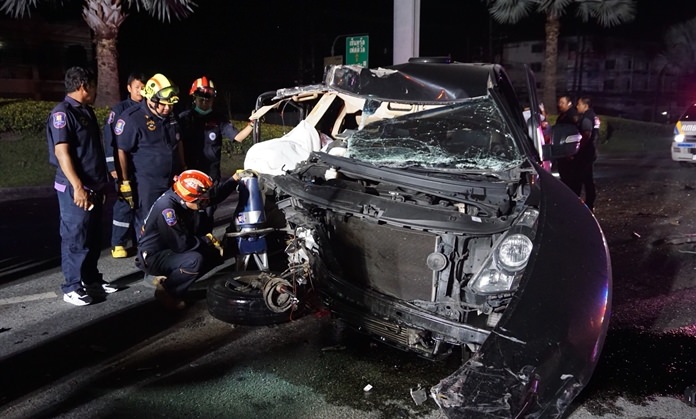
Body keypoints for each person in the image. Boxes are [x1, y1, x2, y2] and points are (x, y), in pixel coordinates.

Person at [46, 66, 119, 306]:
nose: (96, 90)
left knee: (92, 236)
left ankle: (91, 280)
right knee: (75, 236)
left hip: (93, 186)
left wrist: (101, 185)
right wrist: (78, 186)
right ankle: (72, 287)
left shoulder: (84, 111)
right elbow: (62, 152)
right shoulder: (62, 113)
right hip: (75, 188)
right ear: (83, 86)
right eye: (94, 85)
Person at [136, 169, 242, 309]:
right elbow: (181, 245)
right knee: (195, 260)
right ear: (190, 198)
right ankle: (167, 290)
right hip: (154, 255)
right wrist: (207, 241)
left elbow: (214, 197)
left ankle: (173, 278)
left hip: (170, 247)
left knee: (214, 255)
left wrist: (234, 179)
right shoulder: (167, 210)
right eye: (202, 200)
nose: (206, 202)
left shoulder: (182, 196)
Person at [177, 76, 254, 235]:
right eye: (201, 100)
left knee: (208, 214)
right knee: (188, 215)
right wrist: (181, 166)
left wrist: (252, 124)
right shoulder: (184, 119)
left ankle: (207, 242)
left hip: (210, 177)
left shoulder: (218, 119)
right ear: (194, 98)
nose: (205, 103)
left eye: (208, 100)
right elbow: (177, 145)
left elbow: (237, 137)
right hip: (189, 177)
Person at [114, 73, 186, 239]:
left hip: (171, 181)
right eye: (163, 104)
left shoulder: (171, 116)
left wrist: (183, 167)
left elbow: (178, 142)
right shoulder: (132, 119)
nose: (167, 108)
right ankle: (147, 253)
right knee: (147, 226)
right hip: (147, 185)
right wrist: (124, 181)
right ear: (151, 99)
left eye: (170, 104)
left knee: (172, 221)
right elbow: (121, 150)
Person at [104, 72, 146, 258]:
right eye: (137, 87)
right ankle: (118, 243)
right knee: (125, 203)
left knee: (141, 205)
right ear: (129, 88)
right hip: (124, 167)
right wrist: (113, 167)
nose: (140, 91)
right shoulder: (120, 110)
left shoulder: (149, 108)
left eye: (144, 88)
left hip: (141, 168)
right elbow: (110, 139)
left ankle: (140, 242)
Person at [574, 96, 600, 212]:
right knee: (588, 177)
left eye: (579, 104)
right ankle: (589, 201)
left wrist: (578, 147)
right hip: (591, 150)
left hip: (586, 152)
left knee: (583, 177)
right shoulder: (593, 116)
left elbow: (586, 134)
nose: (577, 106)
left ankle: (587, 202)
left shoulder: (587, 118)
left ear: (585, 106)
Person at [554, 94, 579, 188]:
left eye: (562, 103)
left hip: (568, 149)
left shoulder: (571, 115)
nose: (559, 105)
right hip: (562, 148)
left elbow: (574, 132)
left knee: (569, 176)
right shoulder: (563, 115)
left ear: (569, 103)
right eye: (559, 102)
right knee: (563, 173)